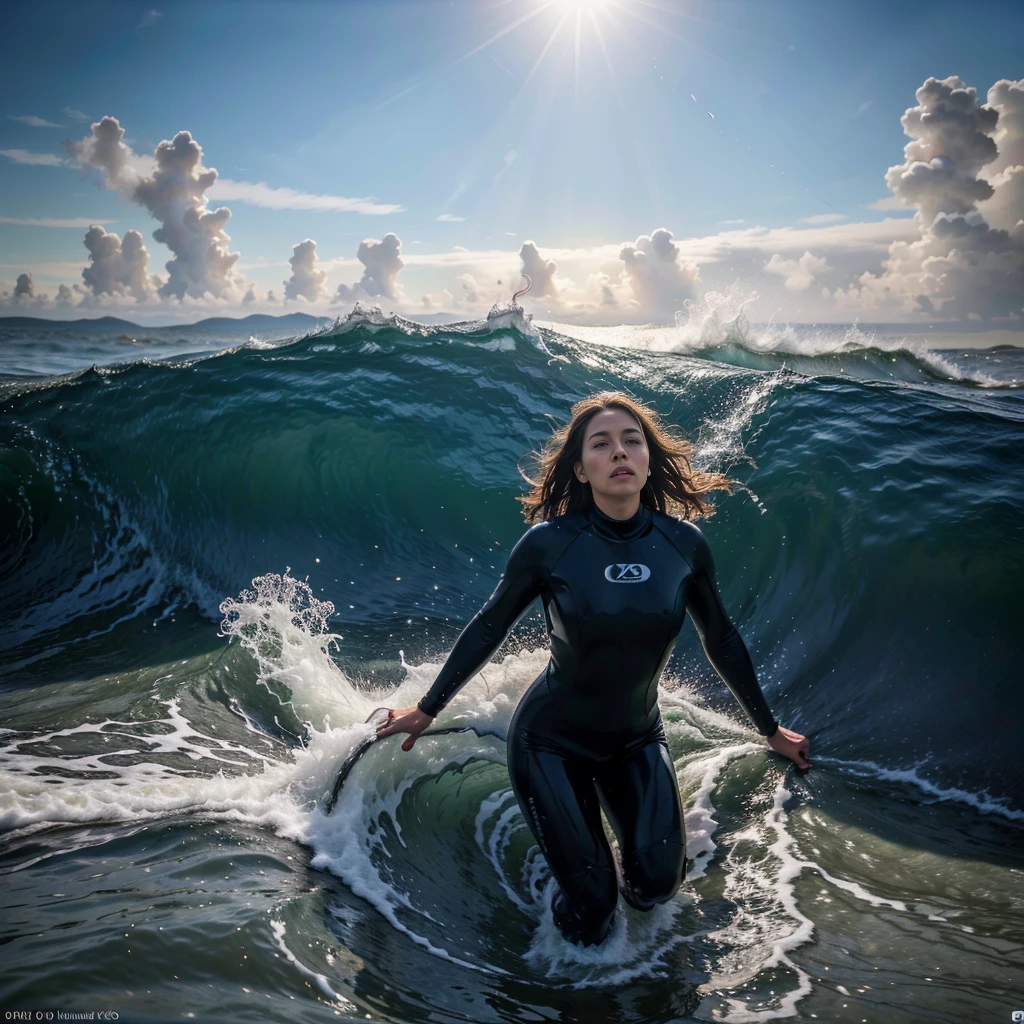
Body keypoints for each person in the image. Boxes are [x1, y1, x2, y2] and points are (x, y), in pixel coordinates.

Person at [375, 392, 810, 947]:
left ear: (649, 459)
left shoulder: (682, 545)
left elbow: (720, 638)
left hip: (636, 738)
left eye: (633, 441)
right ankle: (571, 938)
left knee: (656, 885)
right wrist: (427, 708)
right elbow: (489, 626)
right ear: (581, 469)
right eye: (601, 445)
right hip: (550, 743)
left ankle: (599, 871)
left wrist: (769, 730)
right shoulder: (550, 545)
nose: (620, 452)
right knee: (593, 909)